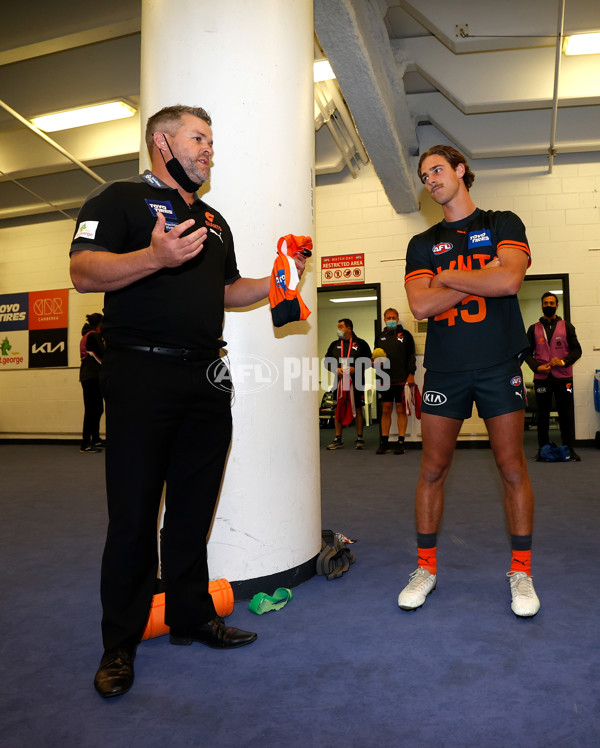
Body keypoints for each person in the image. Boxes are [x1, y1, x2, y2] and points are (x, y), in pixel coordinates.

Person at [69, 104, 306, 698]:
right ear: (162, 141)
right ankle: (119, 643)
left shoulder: (213, 220)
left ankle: (190, 617)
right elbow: (82, 271)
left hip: (205, 379)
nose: (208, 150)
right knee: (133, 517)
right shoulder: (117, 199)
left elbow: (227, 290)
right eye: (198, 138)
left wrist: (281, 277)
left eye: (210, 141)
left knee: (193, 511)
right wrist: (153, 256)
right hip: (139, 373)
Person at [399, 144, 540, 618]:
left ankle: (521, 571)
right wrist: (478, 274)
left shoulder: (503, 222)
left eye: (437, 169)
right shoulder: (422, 243)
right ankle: (425, 568)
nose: (431, 179)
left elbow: (509, 283)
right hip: (445, 369)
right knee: (432, 470)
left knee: (512, 466)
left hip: (500, 364)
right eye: (424, 174)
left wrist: (447, 279)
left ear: (461, 171)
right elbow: (419, 308)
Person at [525, 292, 582, 461]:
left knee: (566, 414)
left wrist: (564, 362)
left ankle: (569, 449)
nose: (548, 305)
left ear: (557, 306)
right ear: (541, 305)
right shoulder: (533, 328)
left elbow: (577, 350)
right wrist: (537, 367)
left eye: (551, 303)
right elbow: (526, 354)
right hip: (542, 378)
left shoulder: (567, 326)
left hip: (564, 378)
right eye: (545, 303)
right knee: (542, 415)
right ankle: (543, 449)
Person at [373, 307, 416, 455]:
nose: (391, 320)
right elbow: (375, 356)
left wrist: (411, 374)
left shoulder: (405, 335)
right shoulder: (380, 336)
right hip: (384, 379)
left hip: (402, 378)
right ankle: (384, 443)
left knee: (400, 409)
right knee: (385, 409)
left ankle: (401, 442)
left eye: (393, 317)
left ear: (397, 319)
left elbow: (411, 355)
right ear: (384, 319)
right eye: (388, 318)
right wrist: (375, 363)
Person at [324, 318, 371, 450]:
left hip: (356, 381)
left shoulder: (361, 343)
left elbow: (369, 361)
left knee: (357, 408)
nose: (338, 330)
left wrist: (355, 368)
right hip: (338, 381)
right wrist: (335, 369)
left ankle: (360, 437)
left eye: (341, 327)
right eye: (338, 327)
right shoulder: (334, 344)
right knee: (338, 407)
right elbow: (326, 361)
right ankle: (338, 439)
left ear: (349, 329)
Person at [79, 312, 106, 453]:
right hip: (92, 376)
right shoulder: (94, 335)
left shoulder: (86, 335)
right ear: (99, 324)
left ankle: (95, 438)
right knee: (92, 410)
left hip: (88, 376)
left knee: (96, 409)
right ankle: (86, 443)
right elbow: (104, 353)